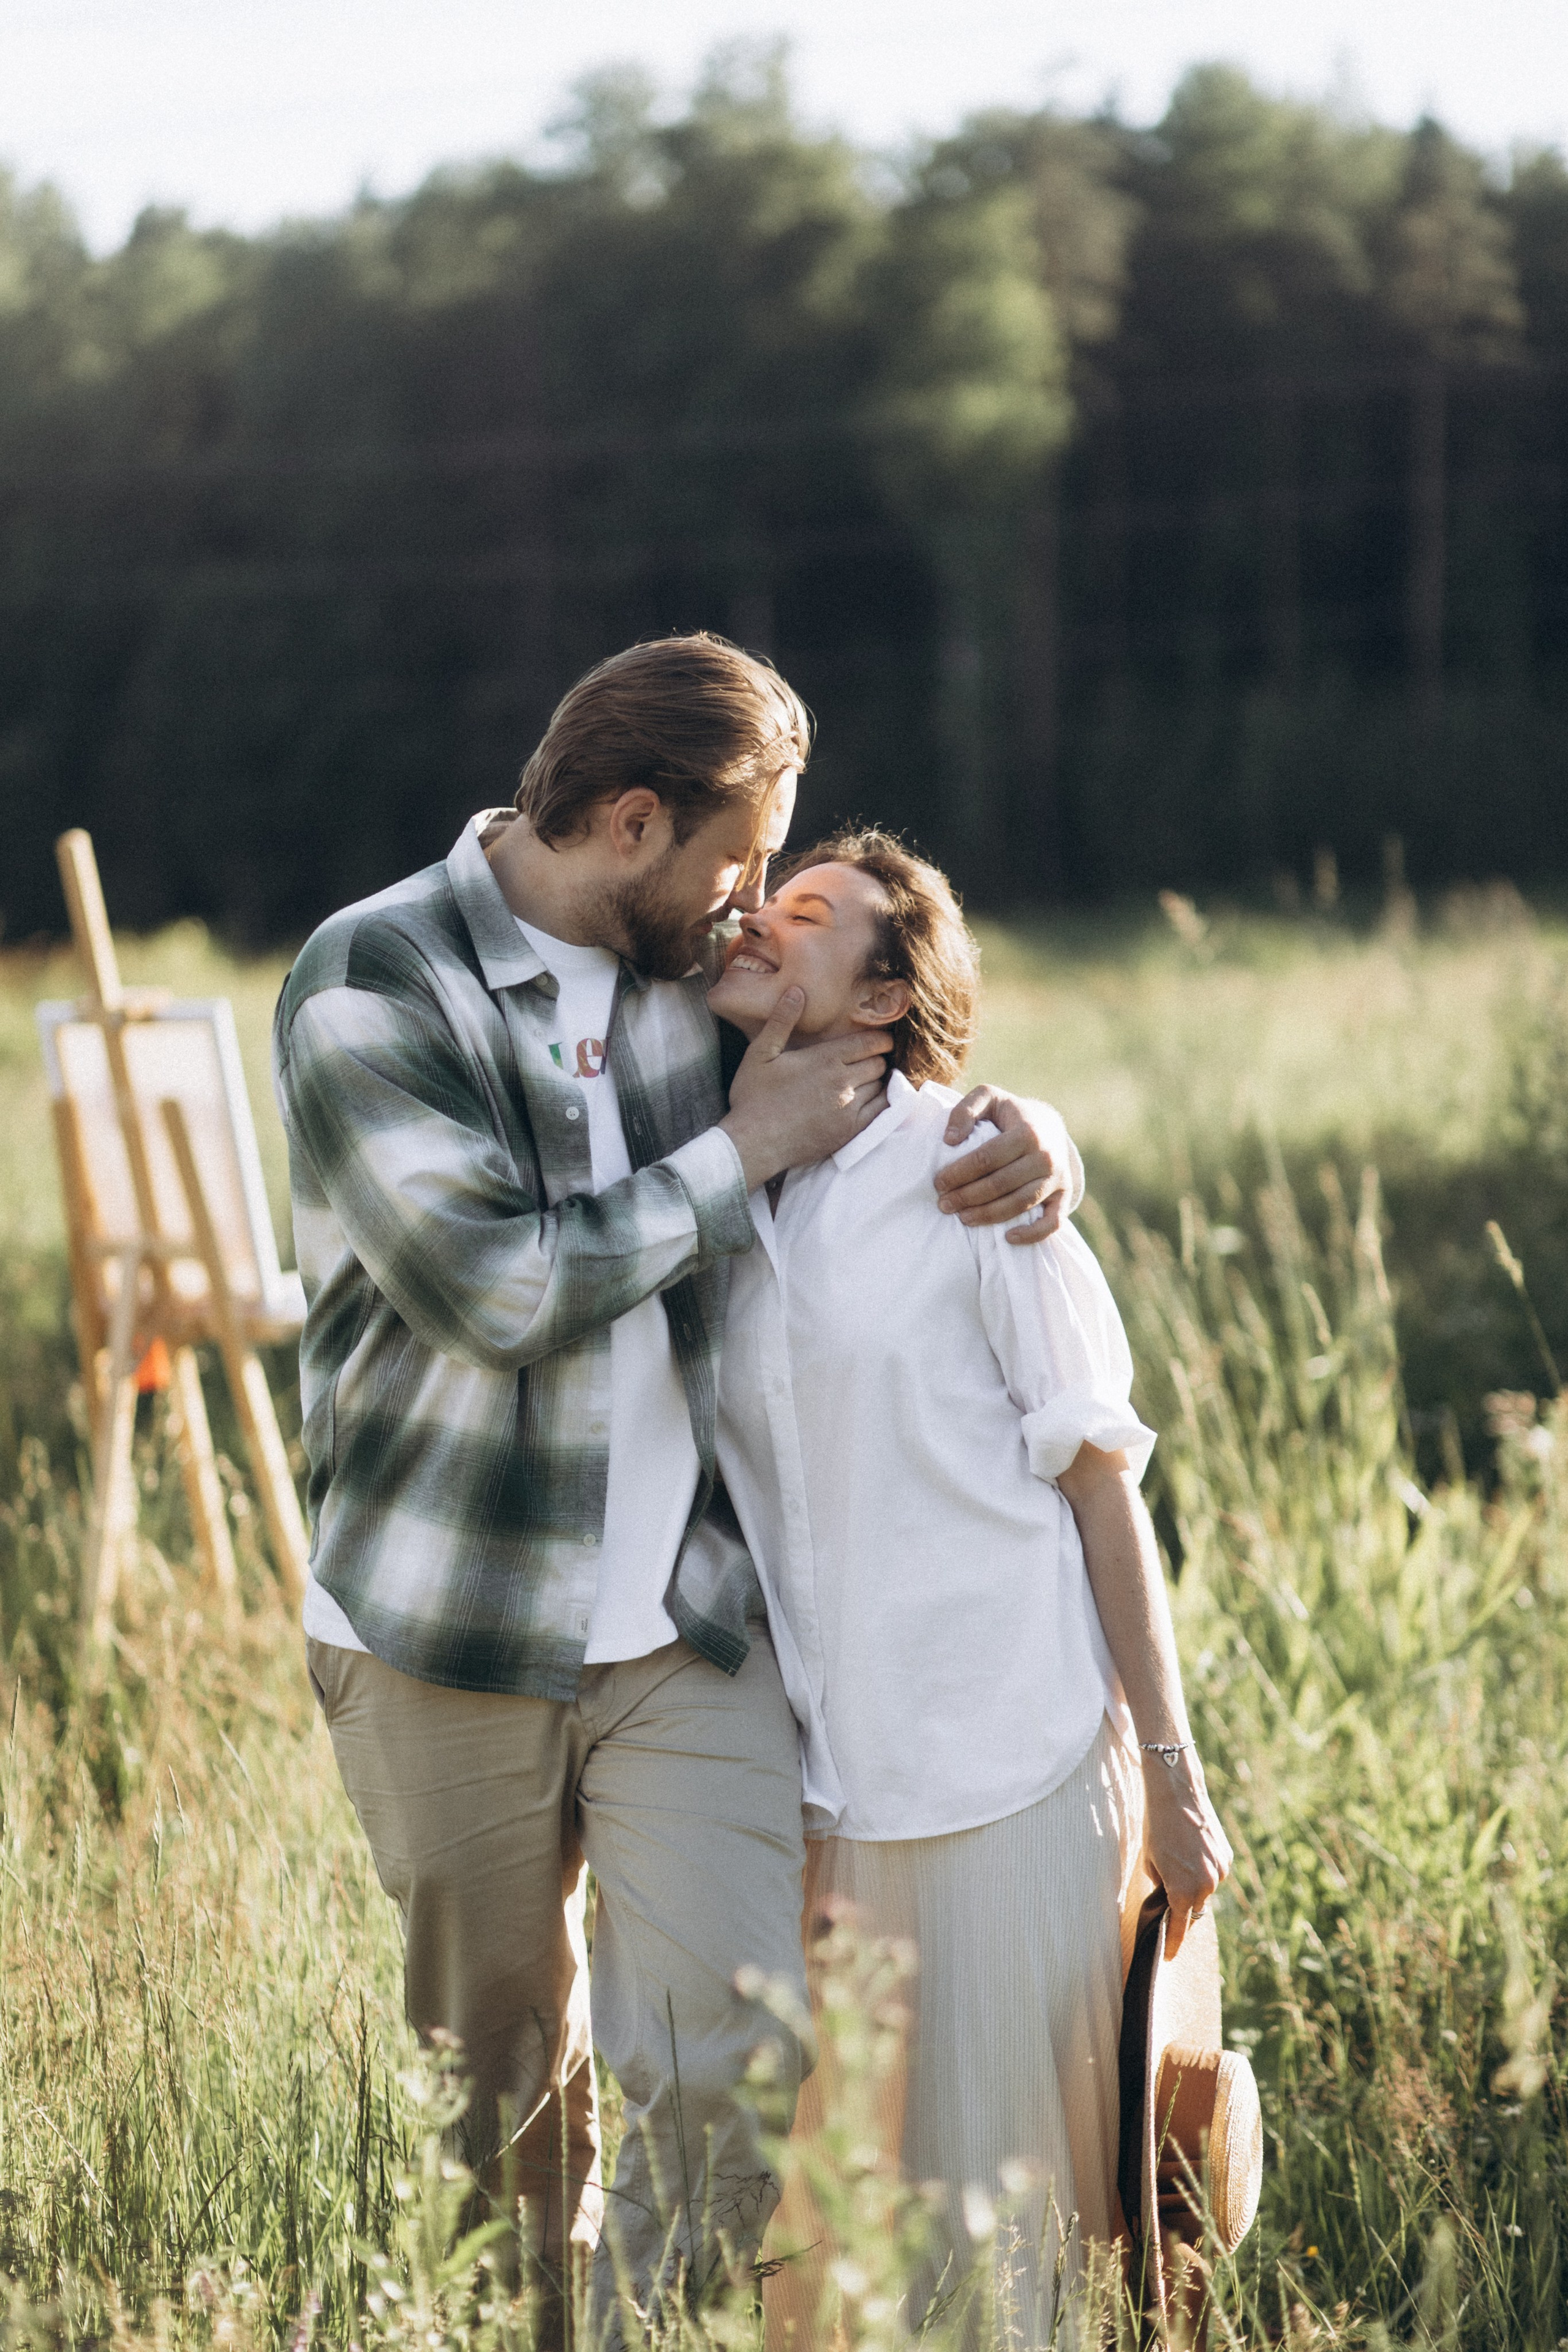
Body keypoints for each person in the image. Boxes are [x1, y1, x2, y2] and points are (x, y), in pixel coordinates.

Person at [271, 636, 1080, 2337]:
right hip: (444, 1630)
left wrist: (1038, 1136)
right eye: (740, 856)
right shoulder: (371, 982)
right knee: (502, 2115)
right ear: (630, 823)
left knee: (741, 2056)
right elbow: (493, 1290)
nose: (758, 899)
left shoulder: (692, 976)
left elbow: (884, 1071)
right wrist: (737, 1159)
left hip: (686, 1634)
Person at [706, 829, 1235, 2348]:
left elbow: (1100, 1487)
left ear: (880, 1005)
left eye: (804, 913)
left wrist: (1172, 1771)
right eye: (763, 895)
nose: (760, 917)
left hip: (1010, 1780)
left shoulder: (973, 1170)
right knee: (842, 2259)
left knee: (1018, 2255)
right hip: (826, 1804)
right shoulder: (726, 1182)